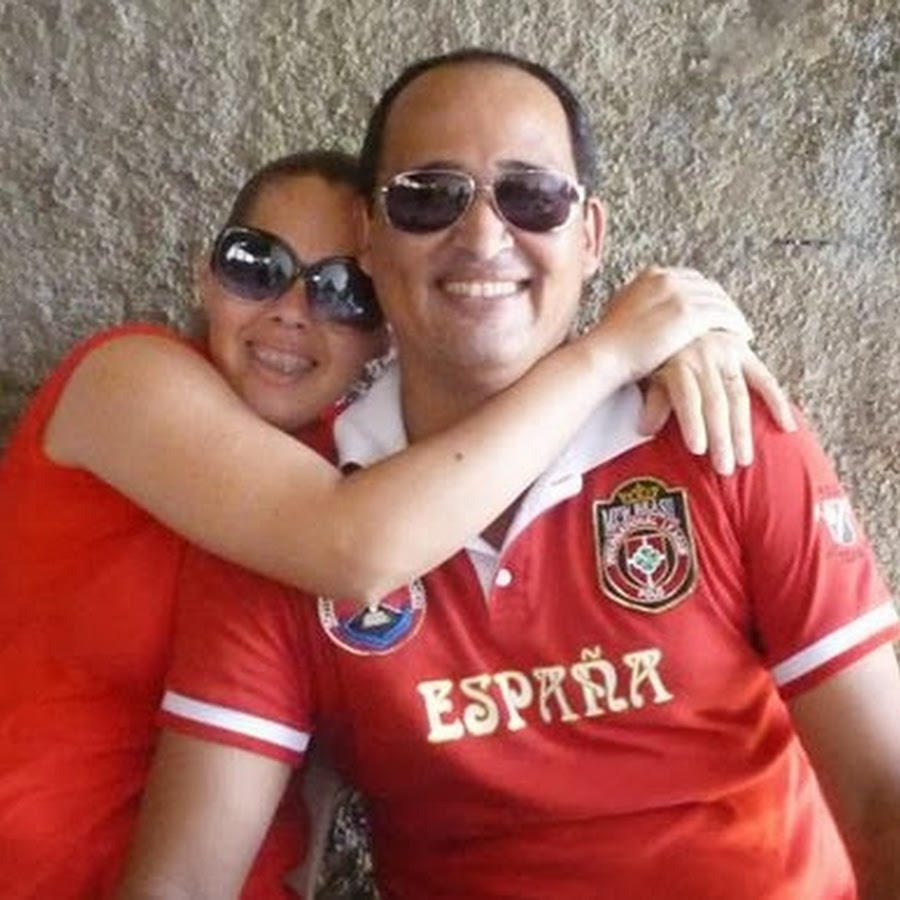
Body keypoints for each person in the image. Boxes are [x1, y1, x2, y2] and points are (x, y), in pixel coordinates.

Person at [119, 48, 900, 900]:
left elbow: (882, 797)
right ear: (369, 237)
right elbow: (184, 882)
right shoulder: (294, 515)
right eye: (429, 197)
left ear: (590, 235)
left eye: (532, 197)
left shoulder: (721, 433)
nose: (484, 237)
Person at [0, 140, 779, 900]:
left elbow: (315, 760)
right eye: (256, 265)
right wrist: (611, 354)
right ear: (208, 274)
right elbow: (351, 546)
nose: (291, 312)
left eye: (343, 291)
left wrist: (678, 346)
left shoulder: (370, 471)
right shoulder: (125, 377)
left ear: (384, 329)